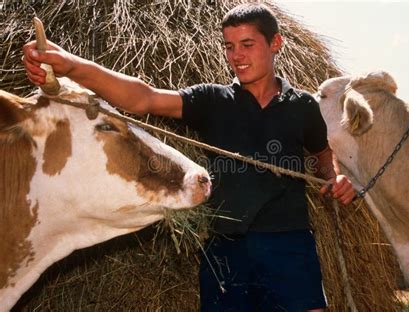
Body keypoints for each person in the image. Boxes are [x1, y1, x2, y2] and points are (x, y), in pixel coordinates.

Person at [23, 3, 355, 311]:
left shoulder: (303, 108)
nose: (236, 56)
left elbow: (323, 154)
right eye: (229, 46)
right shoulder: (213, 100)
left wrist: (334, 177)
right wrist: (72, 66)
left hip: (289, 244)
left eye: (247, 44)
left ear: (275, 43)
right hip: (227, 250)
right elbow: (145, 98)